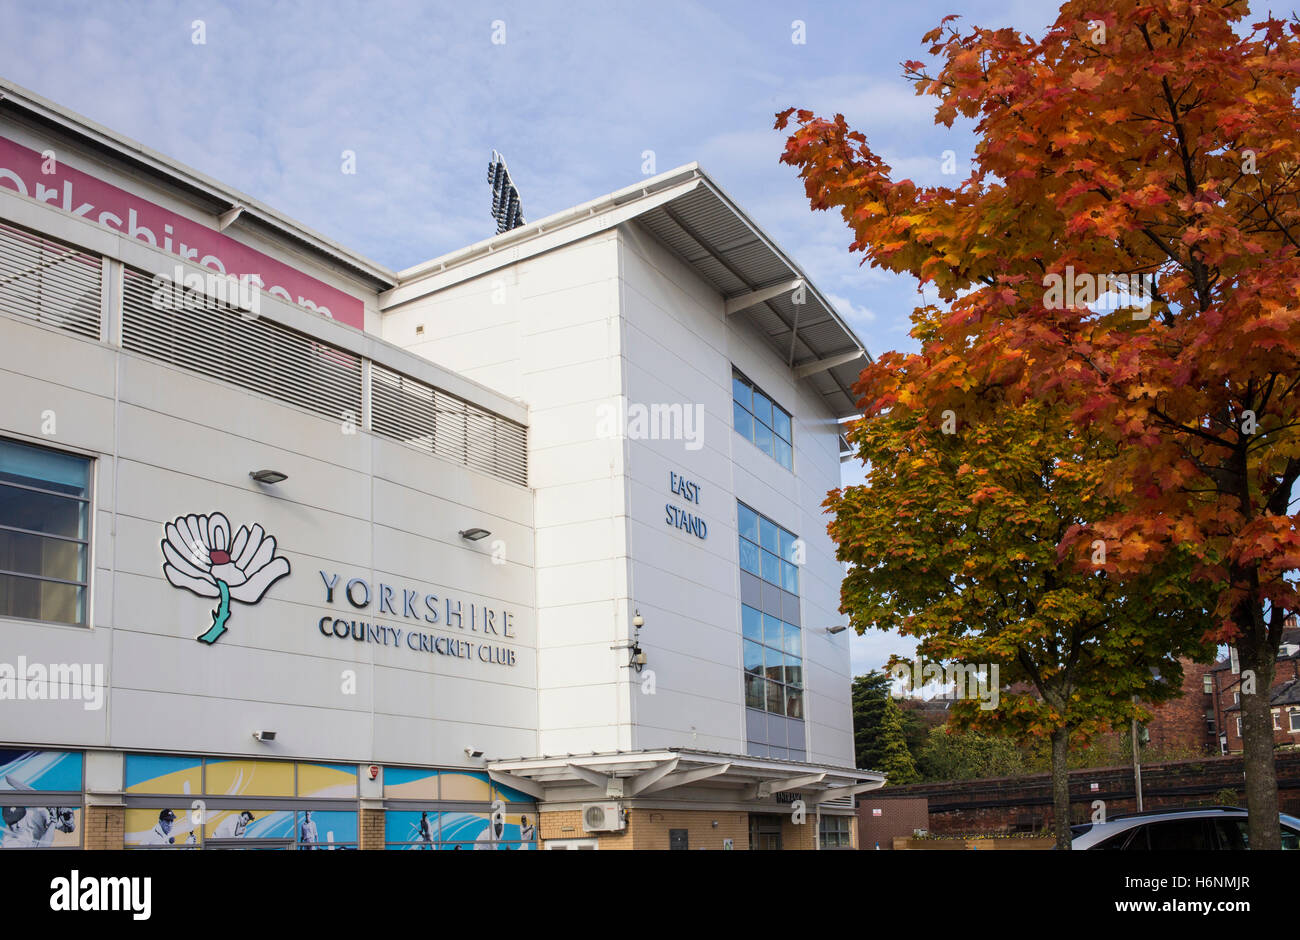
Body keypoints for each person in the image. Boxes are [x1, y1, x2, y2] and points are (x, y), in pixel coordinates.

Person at [2, 805, 74, 847]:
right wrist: (53, 822)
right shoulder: (9, 843)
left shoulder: (36, 813)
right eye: (13, 823)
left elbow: (68, 828)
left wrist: (64, 814)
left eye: (19, 820)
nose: (17, 825)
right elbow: (43, 846)